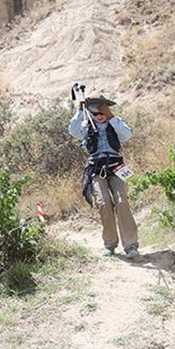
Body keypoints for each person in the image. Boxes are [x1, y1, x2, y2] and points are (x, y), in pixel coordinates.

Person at [69, 93, 139, 258]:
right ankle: (110, 244)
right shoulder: (86, 126)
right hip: (96, 169)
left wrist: (112, 117)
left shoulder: (115, 123)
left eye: (102, 112)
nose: (99, 116)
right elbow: (73, 131)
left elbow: (127, 135)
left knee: (121, 201)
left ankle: (130, 246)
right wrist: (80, 110)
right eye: (95, 113)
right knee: (104, 203)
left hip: (116, 167)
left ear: (107, 110)